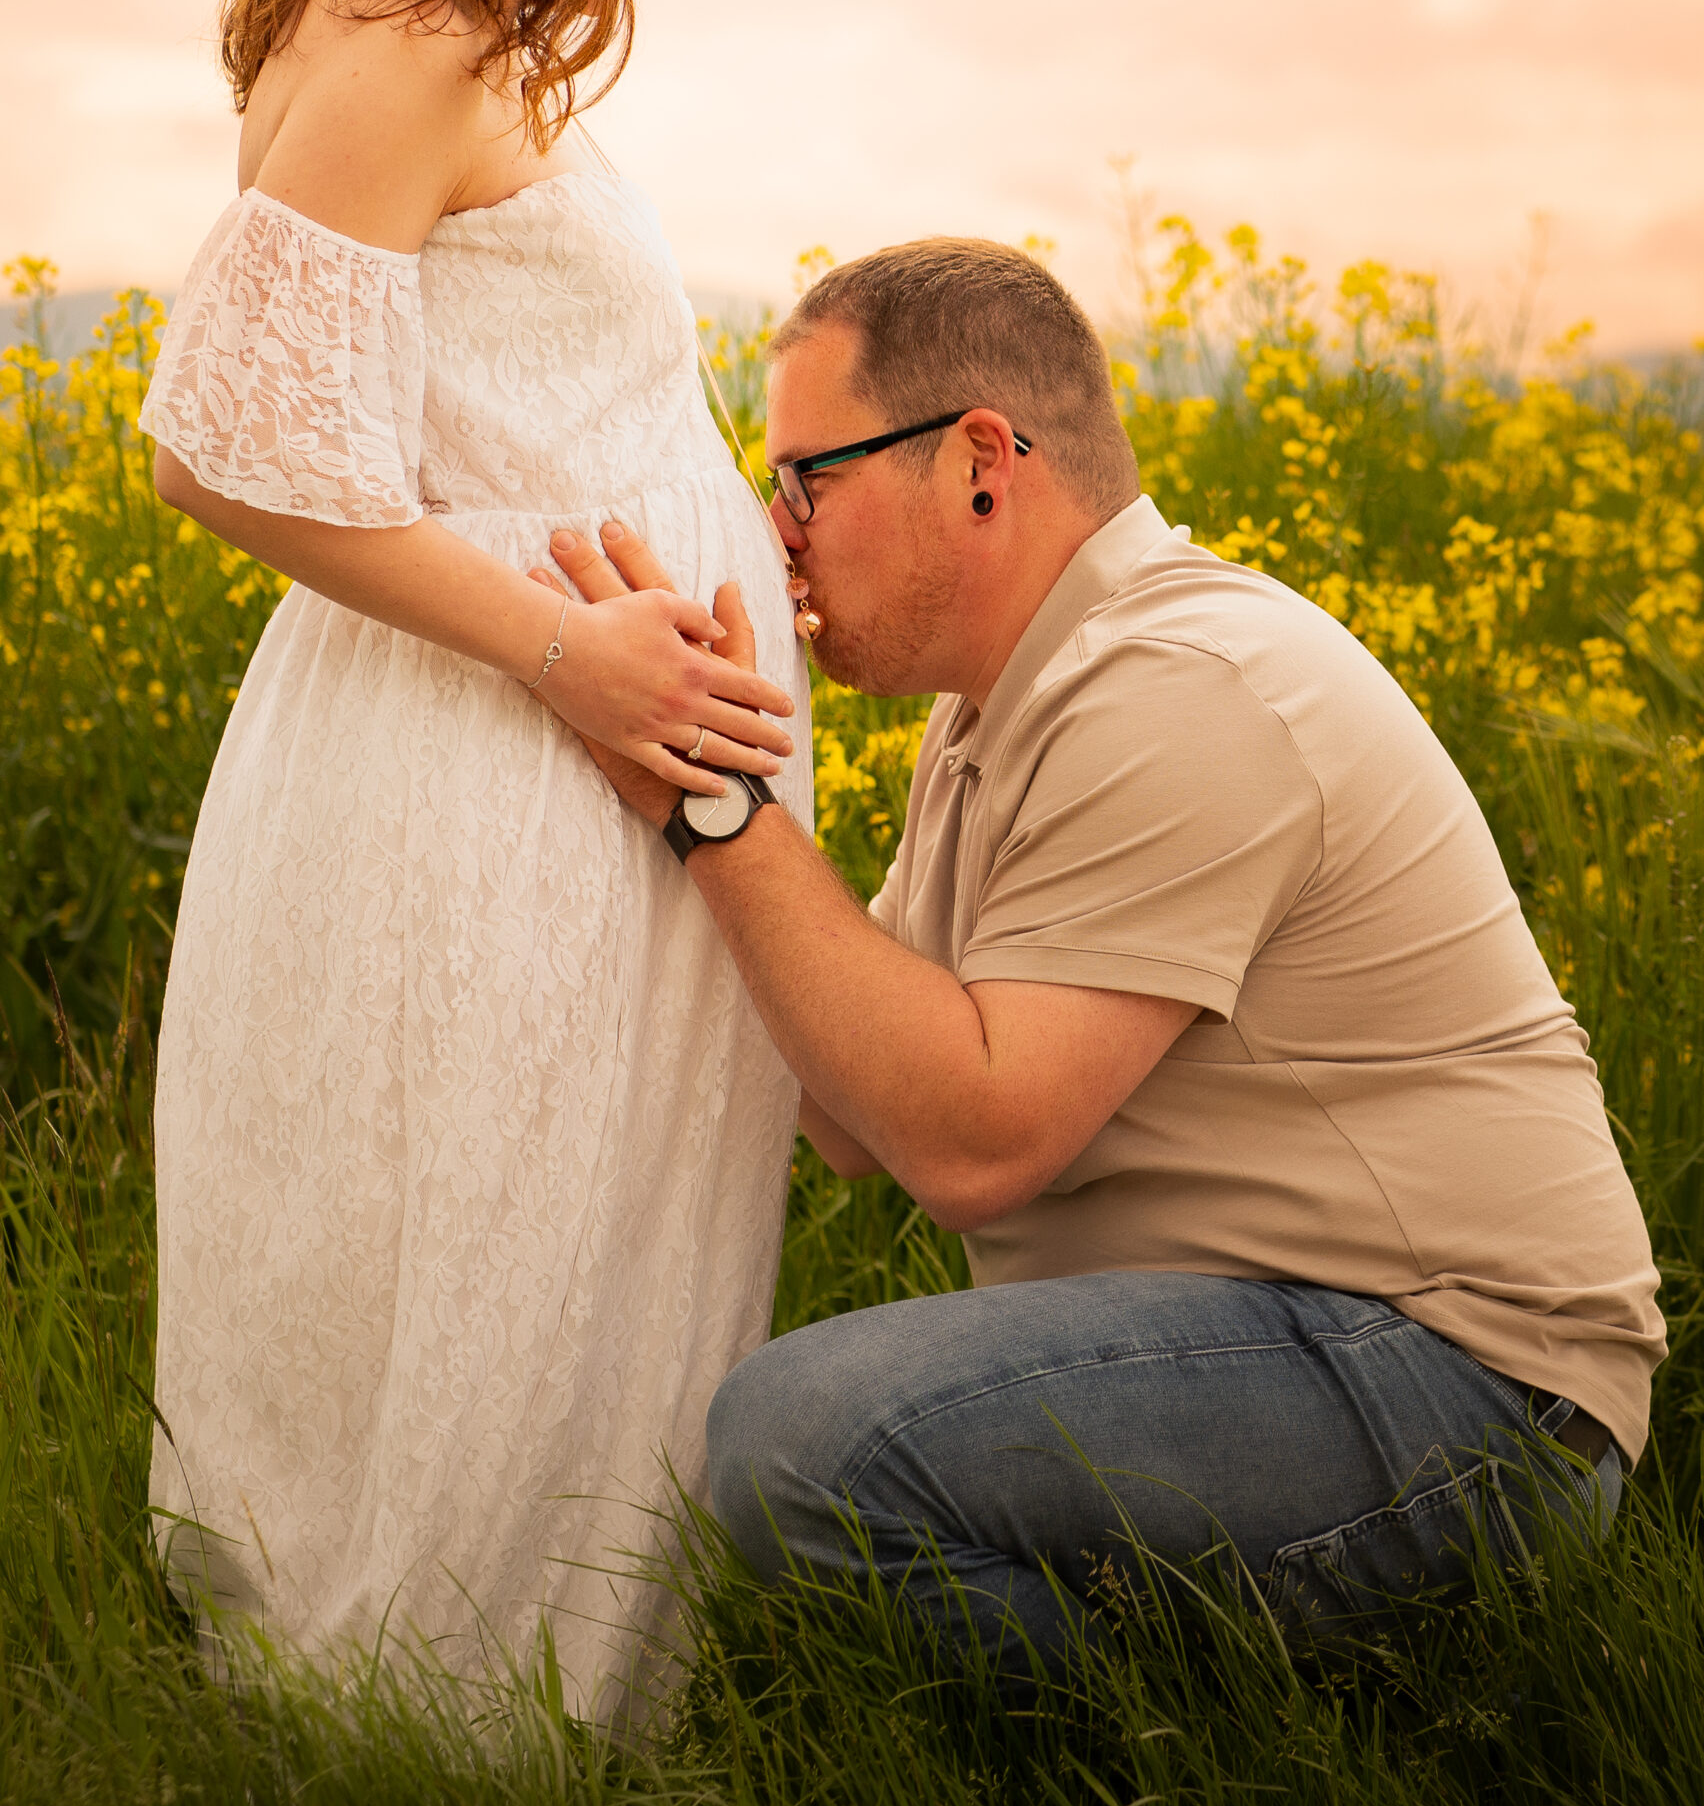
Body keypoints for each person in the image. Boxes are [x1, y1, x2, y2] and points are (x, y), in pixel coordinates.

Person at [548, 236, 1665, 1672]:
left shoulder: (1181, 690)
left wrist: (718, 806)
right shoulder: (1006, 707)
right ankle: (1284, 1713)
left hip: (1469, 1392)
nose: (778, 534)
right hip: (1300, 1344)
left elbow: (971, 1144)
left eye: (804, 480)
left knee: (803, 1444)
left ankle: (1227, 1776)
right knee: (800, 1436)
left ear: (980, 463)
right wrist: (693, 742)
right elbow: (852, 1122)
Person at [140, 0, 810, 1714]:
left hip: (552, 735)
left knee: (558, 1216)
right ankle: (453, 1725)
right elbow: (226, 457)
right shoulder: (411, 39)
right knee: (492, 1214)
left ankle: (546, 1687)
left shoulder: (458, 27)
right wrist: (566, 656)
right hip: (497, 752)